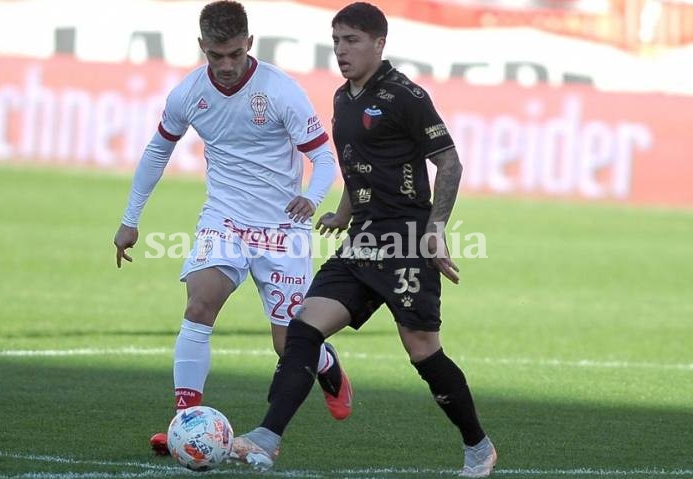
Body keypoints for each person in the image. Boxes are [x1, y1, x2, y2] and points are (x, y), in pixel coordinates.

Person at [230, 2, 497, 477]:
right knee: (303, 330)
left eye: (351, 40)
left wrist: (435, 230)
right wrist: (342, 211)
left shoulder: (406, 96)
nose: (341, 51)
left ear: (379, 43)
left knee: (422, 350)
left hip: (406, 242)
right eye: (336, 42)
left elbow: (450, 162)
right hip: (361, 240)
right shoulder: (341, 99)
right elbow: (356, 165)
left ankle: (478, 446)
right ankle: (267, 438)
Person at [113, 0, 353, 456]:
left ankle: (327, 365)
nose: (225, 66)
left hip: (283, 227)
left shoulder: (280, 91)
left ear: (250, 44)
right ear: (202, 47)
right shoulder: (188, 94)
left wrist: (311, 197)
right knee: (199, 304)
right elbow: (157, 151)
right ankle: (185, 421)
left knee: (288, 345)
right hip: (224, 219)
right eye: (215, 55)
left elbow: (323, 158)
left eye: (235, 55)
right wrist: (130, 220)